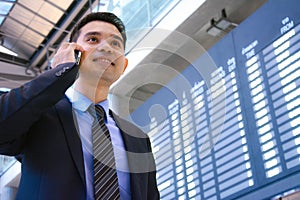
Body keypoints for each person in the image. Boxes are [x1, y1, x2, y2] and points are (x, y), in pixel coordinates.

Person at [0, 12, 159, 200]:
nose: (106, 48)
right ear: (72, 51)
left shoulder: (139, 139)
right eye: (93, 39)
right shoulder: (40, 114)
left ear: (123, 66)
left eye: (115, 43)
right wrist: (59, 72)